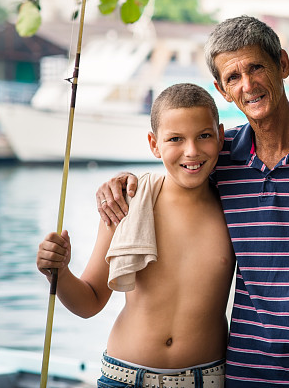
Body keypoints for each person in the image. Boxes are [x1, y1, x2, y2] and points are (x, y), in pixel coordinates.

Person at [96, 16, 289, 388]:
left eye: (256, 67)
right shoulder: (221, 158)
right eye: (233, 77)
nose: (248, 84)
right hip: (245, 375)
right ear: (222, 90)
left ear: (283, 65)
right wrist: (121, 184)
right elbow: (176, 172)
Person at [37, 83, 232, 387]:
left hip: (206, 379)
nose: (191, 151)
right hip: (125, 377)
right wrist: (58, 272)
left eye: (204, 136)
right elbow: (89, 302)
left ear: (220, 136)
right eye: (175, 139)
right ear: (154, 144)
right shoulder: (127, 203)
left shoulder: (234, 209)